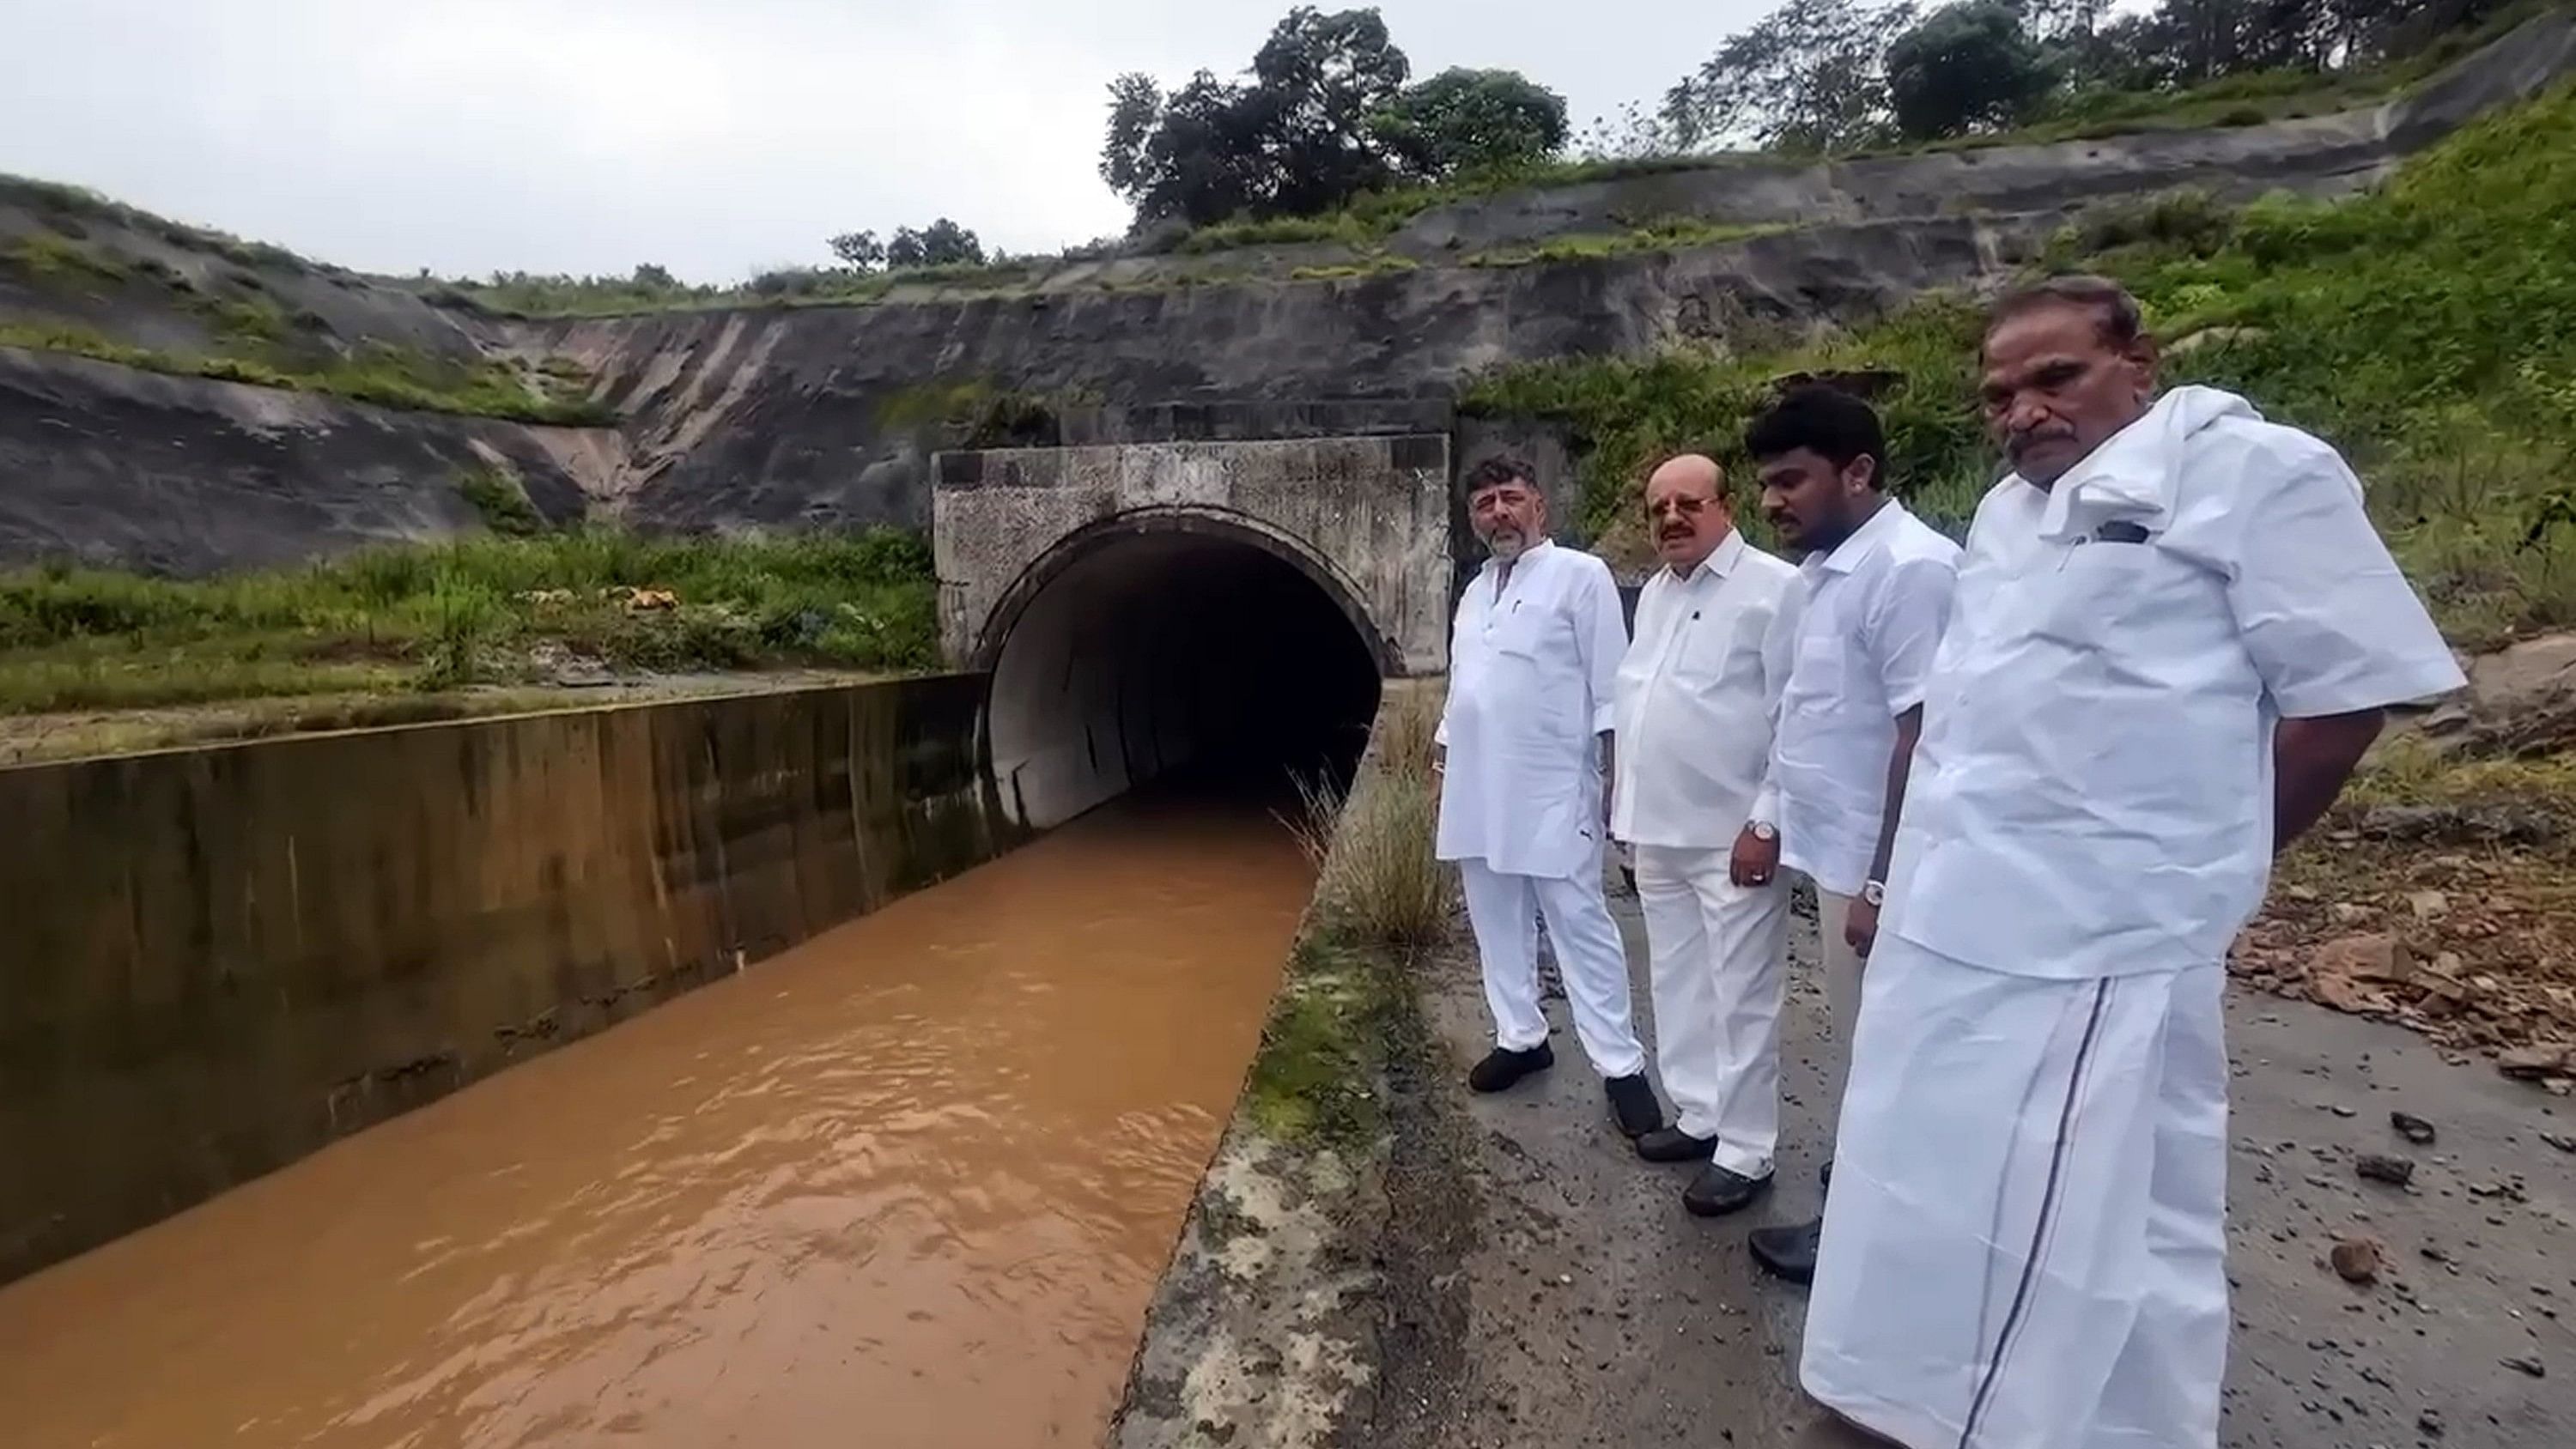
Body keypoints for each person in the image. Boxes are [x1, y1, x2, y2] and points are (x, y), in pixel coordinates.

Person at [1798, 276, 2466, 1449]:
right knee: (1935, 1192)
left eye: (2057, 377)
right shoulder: (2006, 517)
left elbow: (2341, 703)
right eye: (2001, 392)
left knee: (2102, 1222)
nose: (2024, 410)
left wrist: (2203, 883)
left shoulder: (2255, 475)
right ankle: (1917, 1403)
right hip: (1956, 922)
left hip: (2103, 937)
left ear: (2139, 365)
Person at [1733, 386, 1961, 1284]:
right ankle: (1874, 1193)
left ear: (1858, 471)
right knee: (1867, 1047)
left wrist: (1879, 881)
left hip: (1883, 867)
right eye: (1765, 486)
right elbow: (1807, 718)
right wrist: (1772, 815)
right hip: (1834, 857)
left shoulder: (1911, 570)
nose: (1773, 502)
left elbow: (1928, 733)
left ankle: (1872, 1241)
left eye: (1791, 480)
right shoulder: (1829, 573)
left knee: (1891, 1056)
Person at [1436, 454, 1662, 1138]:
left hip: (1553, 784)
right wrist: (1443, 747)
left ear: (1539, 505)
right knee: (1495, 917)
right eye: (1484, 503)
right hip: (1476, 782)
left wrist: (1617, 780)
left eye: (1510, 498)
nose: (1498, 513)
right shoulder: (1476, 592)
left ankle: (1620, 1066)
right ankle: (1521, 1037)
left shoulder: (1580, 577)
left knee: (1579, 923)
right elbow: (1464, 683)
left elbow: (1611, 690)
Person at [1612, 454, 1807, 1217]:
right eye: (1658, 507)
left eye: (1688, 503)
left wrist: (1768, 819)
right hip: (1657, 831)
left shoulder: (1774, 591)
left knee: (1744, 995)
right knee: (1678, 981)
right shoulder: (1657, 594)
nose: (1671, 519)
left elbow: (1797, 718)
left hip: (1734, 838)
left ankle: (1748, 1149)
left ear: (1727, 506)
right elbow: (1642, 705)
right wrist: (1623, 811)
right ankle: (1699, 1113)